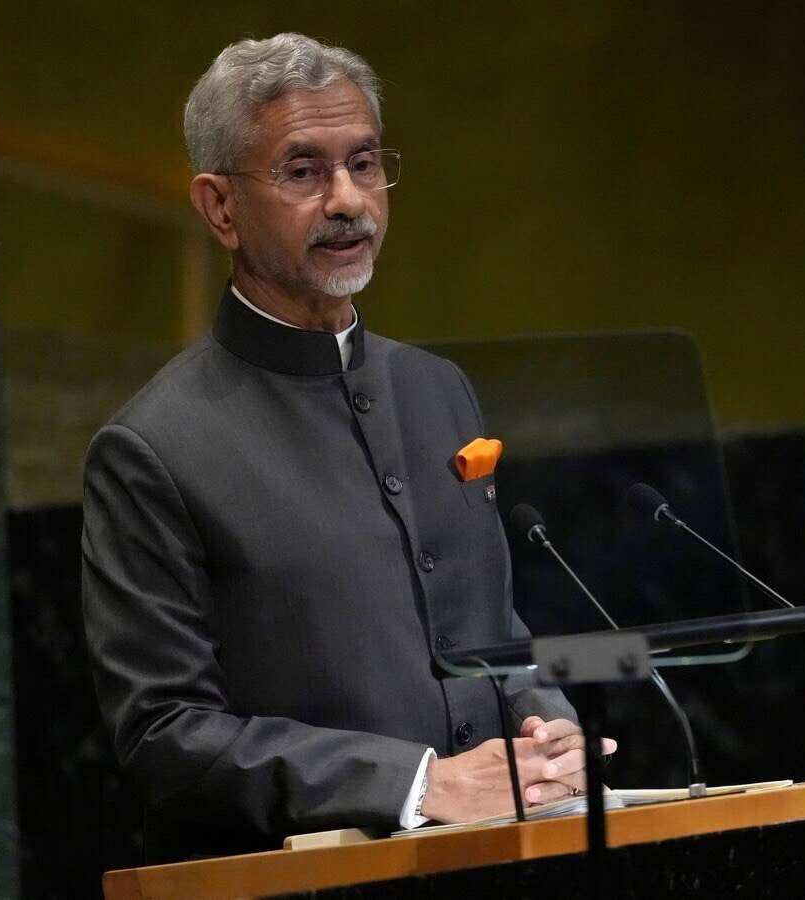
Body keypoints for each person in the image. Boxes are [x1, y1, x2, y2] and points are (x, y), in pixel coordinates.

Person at [81, 32, 613, 863]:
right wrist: (418, 784)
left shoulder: (437, 389)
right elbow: (164, 733)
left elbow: (487, 625)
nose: (348, 200)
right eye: (303, 172)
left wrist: (546, 726)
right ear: (220, 208)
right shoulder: (152, 448)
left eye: (364, 164)